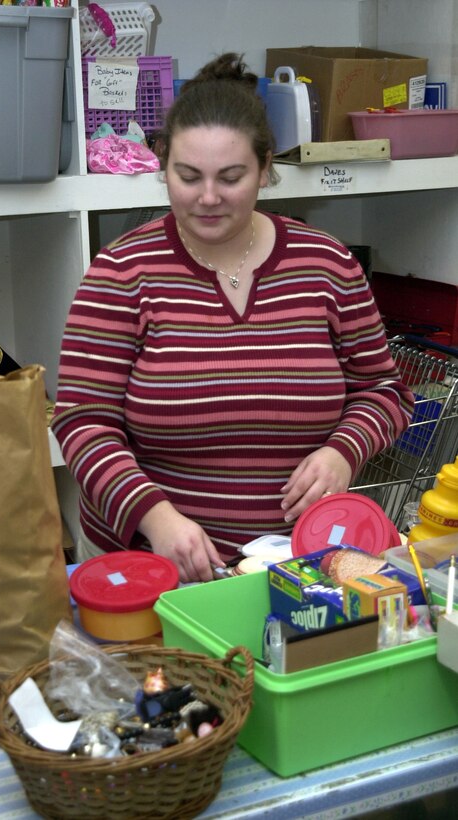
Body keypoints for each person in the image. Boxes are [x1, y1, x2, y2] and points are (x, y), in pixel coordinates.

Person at [52, 53, 414, 583]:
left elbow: (383, 390)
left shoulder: (327, 265)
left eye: (231, 176)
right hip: (152, 565)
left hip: (303, 562)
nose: (208, 198)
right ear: (161, 163)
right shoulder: (122, 273)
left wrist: (342, 452)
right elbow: (83, 422)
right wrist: (158, 519)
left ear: (266, 169)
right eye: (188, 175)